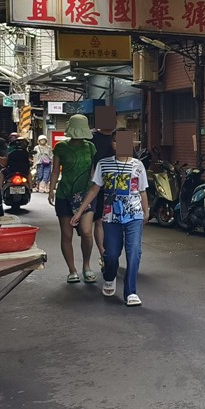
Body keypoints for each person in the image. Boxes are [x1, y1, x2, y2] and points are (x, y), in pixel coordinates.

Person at [72, 135, 149, 307]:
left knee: (134, 252)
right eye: (116, 141)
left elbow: (142, 190)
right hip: (111, 215)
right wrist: (80, 211)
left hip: (134, 215)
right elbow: (94, 189)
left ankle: (131, 292)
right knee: (111, 254)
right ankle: (109, 276)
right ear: (113, 144)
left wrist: (146, 211)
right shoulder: (104, 164)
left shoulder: (138, 165)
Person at [50, 115, 97, 284]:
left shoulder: (91, 147)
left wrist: (96, 189)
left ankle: (86, 265)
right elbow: (55, 171)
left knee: (86, 232)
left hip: (86, 195)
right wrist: (51, 190)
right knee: (66, 235)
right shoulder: (60, 147)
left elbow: (93, 171)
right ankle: (72, 270)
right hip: (64, 193)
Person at [91, 124, 116, 260]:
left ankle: (113, 253)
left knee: (117, 224)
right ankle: (104, 256)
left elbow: (132, 159)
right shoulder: (91, 137)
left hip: (120, 188)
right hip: (98, 186)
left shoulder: (120, 136)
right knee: (100, 221)